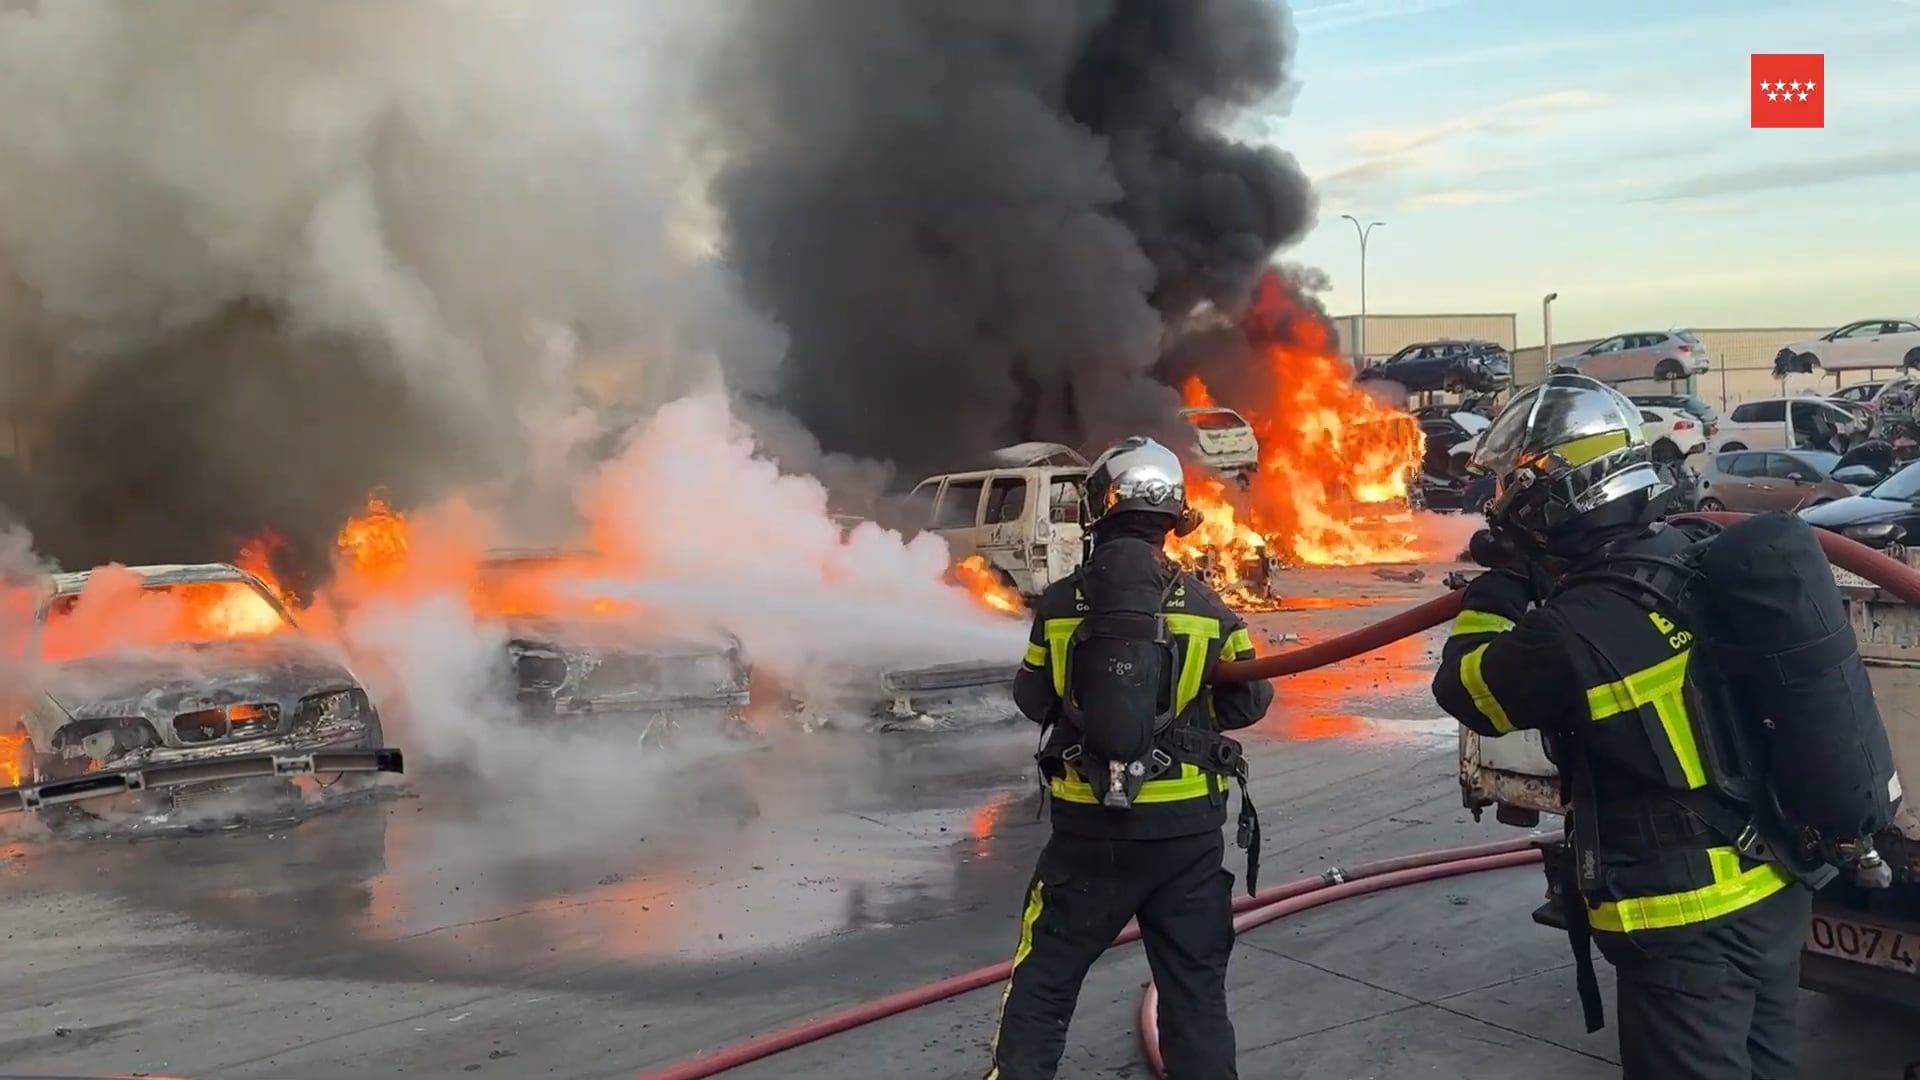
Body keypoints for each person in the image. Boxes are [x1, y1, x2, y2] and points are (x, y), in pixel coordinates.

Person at [1429, 374, 1817, 1080]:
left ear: (1550, 495)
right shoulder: (1684, 557)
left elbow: (1469, 689)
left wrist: (1497, 593)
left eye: (1514, 487)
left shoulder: (1583, 628)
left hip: (1686, 915)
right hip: (1769, 884)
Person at [983, 435, 1274, 1080]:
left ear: (1100, 507)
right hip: (1186, 839)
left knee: (1045, 979)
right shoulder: (1209, 608)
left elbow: (1033, 698)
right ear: (1172, 516)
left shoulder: (1059, 603)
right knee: (1194, 995)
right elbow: (1250, 701)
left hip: (1088, 836)